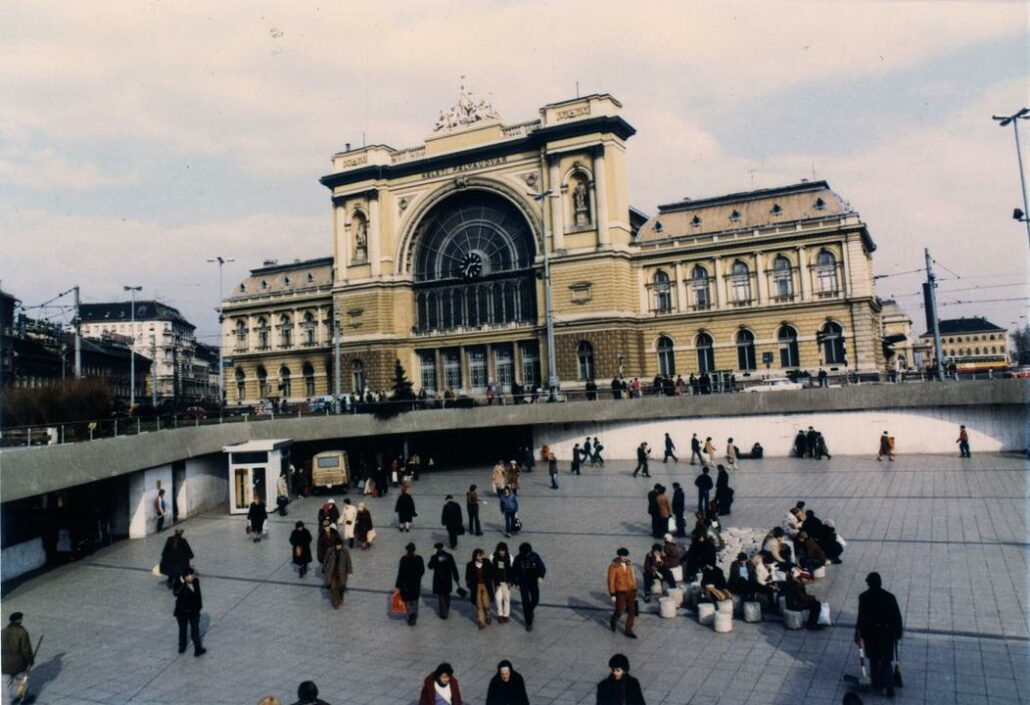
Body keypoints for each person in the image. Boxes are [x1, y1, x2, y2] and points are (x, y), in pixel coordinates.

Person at [855, 572, 903, 699]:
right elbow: (896, 616)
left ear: (869, 584)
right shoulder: (890, 597)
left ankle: (876, 682)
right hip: (887, 634)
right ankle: (888, 685)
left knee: (874, 659)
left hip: (871, 634)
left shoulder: (864, 597)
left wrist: (857, 633)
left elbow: (861, 617)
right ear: (880, 583)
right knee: (886, 660)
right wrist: (898, 632)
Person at [172, 567, 206, 656]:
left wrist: (199, 607)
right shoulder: (178, 581)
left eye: (193, 576)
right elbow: (176, 593)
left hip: (193, 610)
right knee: (182, 629)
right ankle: (182, 647)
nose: (193, 577)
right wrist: (184, 584)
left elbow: (198, 594)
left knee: (195, 629)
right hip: (181, 611)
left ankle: (197, 648)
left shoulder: (195, 581)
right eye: (191, 576)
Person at [512, 542, 546, 631]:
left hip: (533, 581)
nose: (526, 555)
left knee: (536, 599)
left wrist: (540, 576)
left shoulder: (534, 556)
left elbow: (541, 567)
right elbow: (514, 572)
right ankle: (529, 622)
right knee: (525, 602)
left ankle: (529, 610)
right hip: (523, 583)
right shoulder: (518, 559)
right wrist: (516, 583)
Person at [2, 612, 34, 703]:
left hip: (4, 665)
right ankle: (24, 698)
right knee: (22, 681)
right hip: (18, 664)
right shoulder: (22, 632)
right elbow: (26, 649)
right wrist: (30, 660)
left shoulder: (3, 632)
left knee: (6, 687)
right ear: (19, 620)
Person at [607, 547, 638, 638]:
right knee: (619, 610)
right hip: (620, 591)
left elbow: (632, 577)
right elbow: (611, 580)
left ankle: (628, 630)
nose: (624, 557)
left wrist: (634, 588)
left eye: (625, 555)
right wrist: (612, 594)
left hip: (630, 590)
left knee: (632, 611)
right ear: (619, 555)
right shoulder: (613, 566)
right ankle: (613, 620)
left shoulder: (629, 564)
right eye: (623, 555)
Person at [428, 542, 461, 619]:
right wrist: (456, 577)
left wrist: (434, 558)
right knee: (446, 594)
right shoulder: (449, 556)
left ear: (436, 549)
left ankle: (444, 613)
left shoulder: (435, 557)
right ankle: (446, 608)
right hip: (447, 578)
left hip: (439, 578)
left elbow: (430, 566)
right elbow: (453, 567)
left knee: (441, 595)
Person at [395, 543, 425, 626]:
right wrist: (417, 577)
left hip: (406, 584)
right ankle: (414, 614)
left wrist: (398, 585)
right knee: (415, 600)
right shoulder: (419, 559)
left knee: (407, 600)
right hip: (415, 584)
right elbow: (422, 571)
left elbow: (400, 573)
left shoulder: (404, 559)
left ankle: (411, 614)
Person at [465, 548, 495, 629]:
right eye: (479, 555)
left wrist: (489, 578)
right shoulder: (470, 565)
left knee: (486, 603)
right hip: (476, 586)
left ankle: (488, 615)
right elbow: (467, 577)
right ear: (475, 556)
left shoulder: (487, 562)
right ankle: (481, 621)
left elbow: (492, 572)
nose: (481, 557)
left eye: (482, 555)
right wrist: (470, 584)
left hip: (485, 585)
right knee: (479, 605)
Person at [323, 541, 353, 609]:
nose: (338, 546)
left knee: (340, 587)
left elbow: (349, 562)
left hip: (341, 573)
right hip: (332, 572)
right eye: (337, 545)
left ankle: (340, 597)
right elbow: (326, 560)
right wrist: (324, 568)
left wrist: (350, 572)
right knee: (333, 588)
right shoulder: (330, 551)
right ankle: (335, 602)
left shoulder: (345, 552)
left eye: (340, 545)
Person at [491, 541, 514, 624]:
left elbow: (511, 571)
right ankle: (499, 614)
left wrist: (511, 582)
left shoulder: (509, 558)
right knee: (498, 598)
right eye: (500, 550)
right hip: (498, 583)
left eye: (503, 550)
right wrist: (496, 583)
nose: (502, 552)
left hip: (506, 583)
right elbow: (493, 572)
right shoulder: (494, 558)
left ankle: (506, 615)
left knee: (507, 598)